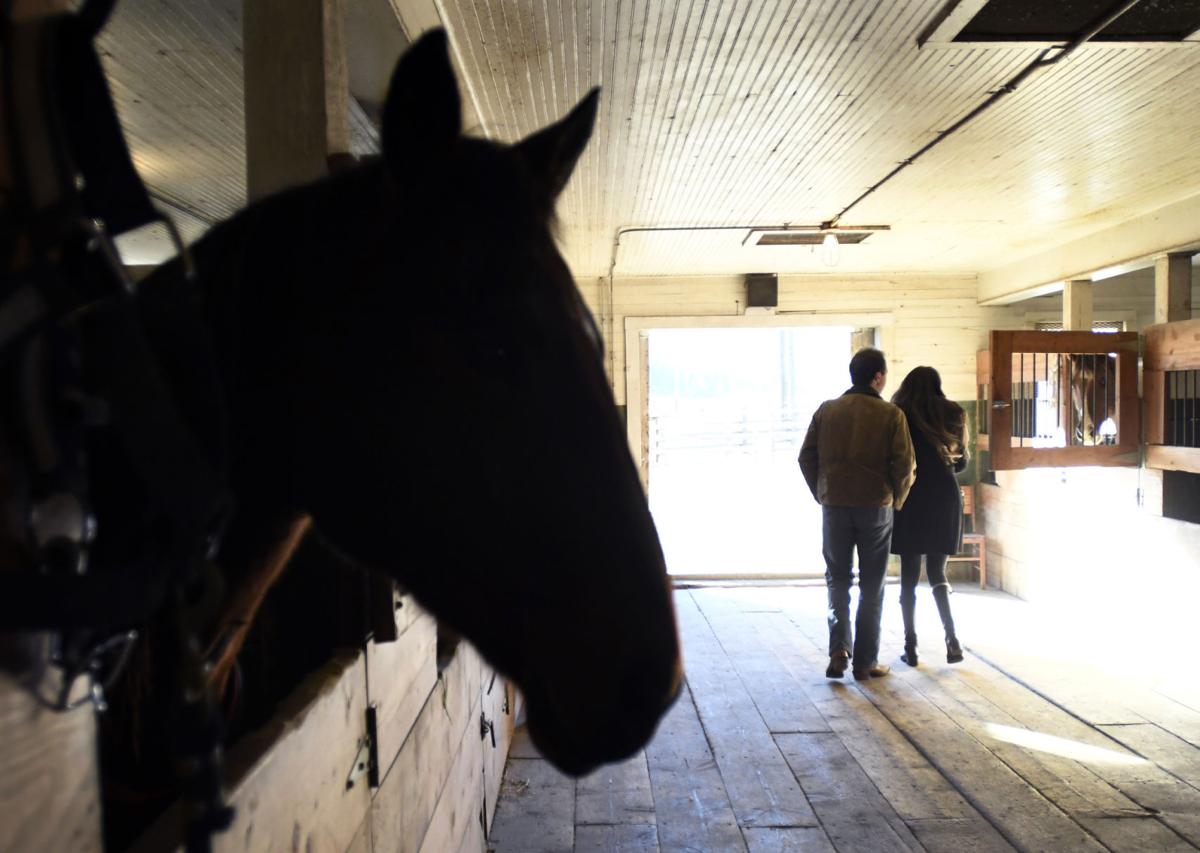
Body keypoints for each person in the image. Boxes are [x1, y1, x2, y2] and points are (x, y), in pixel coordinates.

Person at [799, 348, 915, 680]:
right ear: (877, 377)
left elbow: (806, 456)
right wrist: (896, 499)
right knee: (872, 583)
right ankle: (865, 662)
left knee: (837, 578)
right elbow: (905, 466)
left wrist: (823, 493)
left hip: (834, 505)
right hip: (875, 507)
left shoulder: (827, 411)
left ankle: (839, 650)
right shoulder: (891, 415)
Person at [890, 366, 969, 667]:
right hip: (944, 496)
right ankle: (953, 641)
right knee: (938, 573)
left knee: (908, 577)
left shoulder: (898, 413)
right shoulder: (954, 412)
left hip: (910, 495)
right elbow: (961, 463)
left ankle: (911, 647)